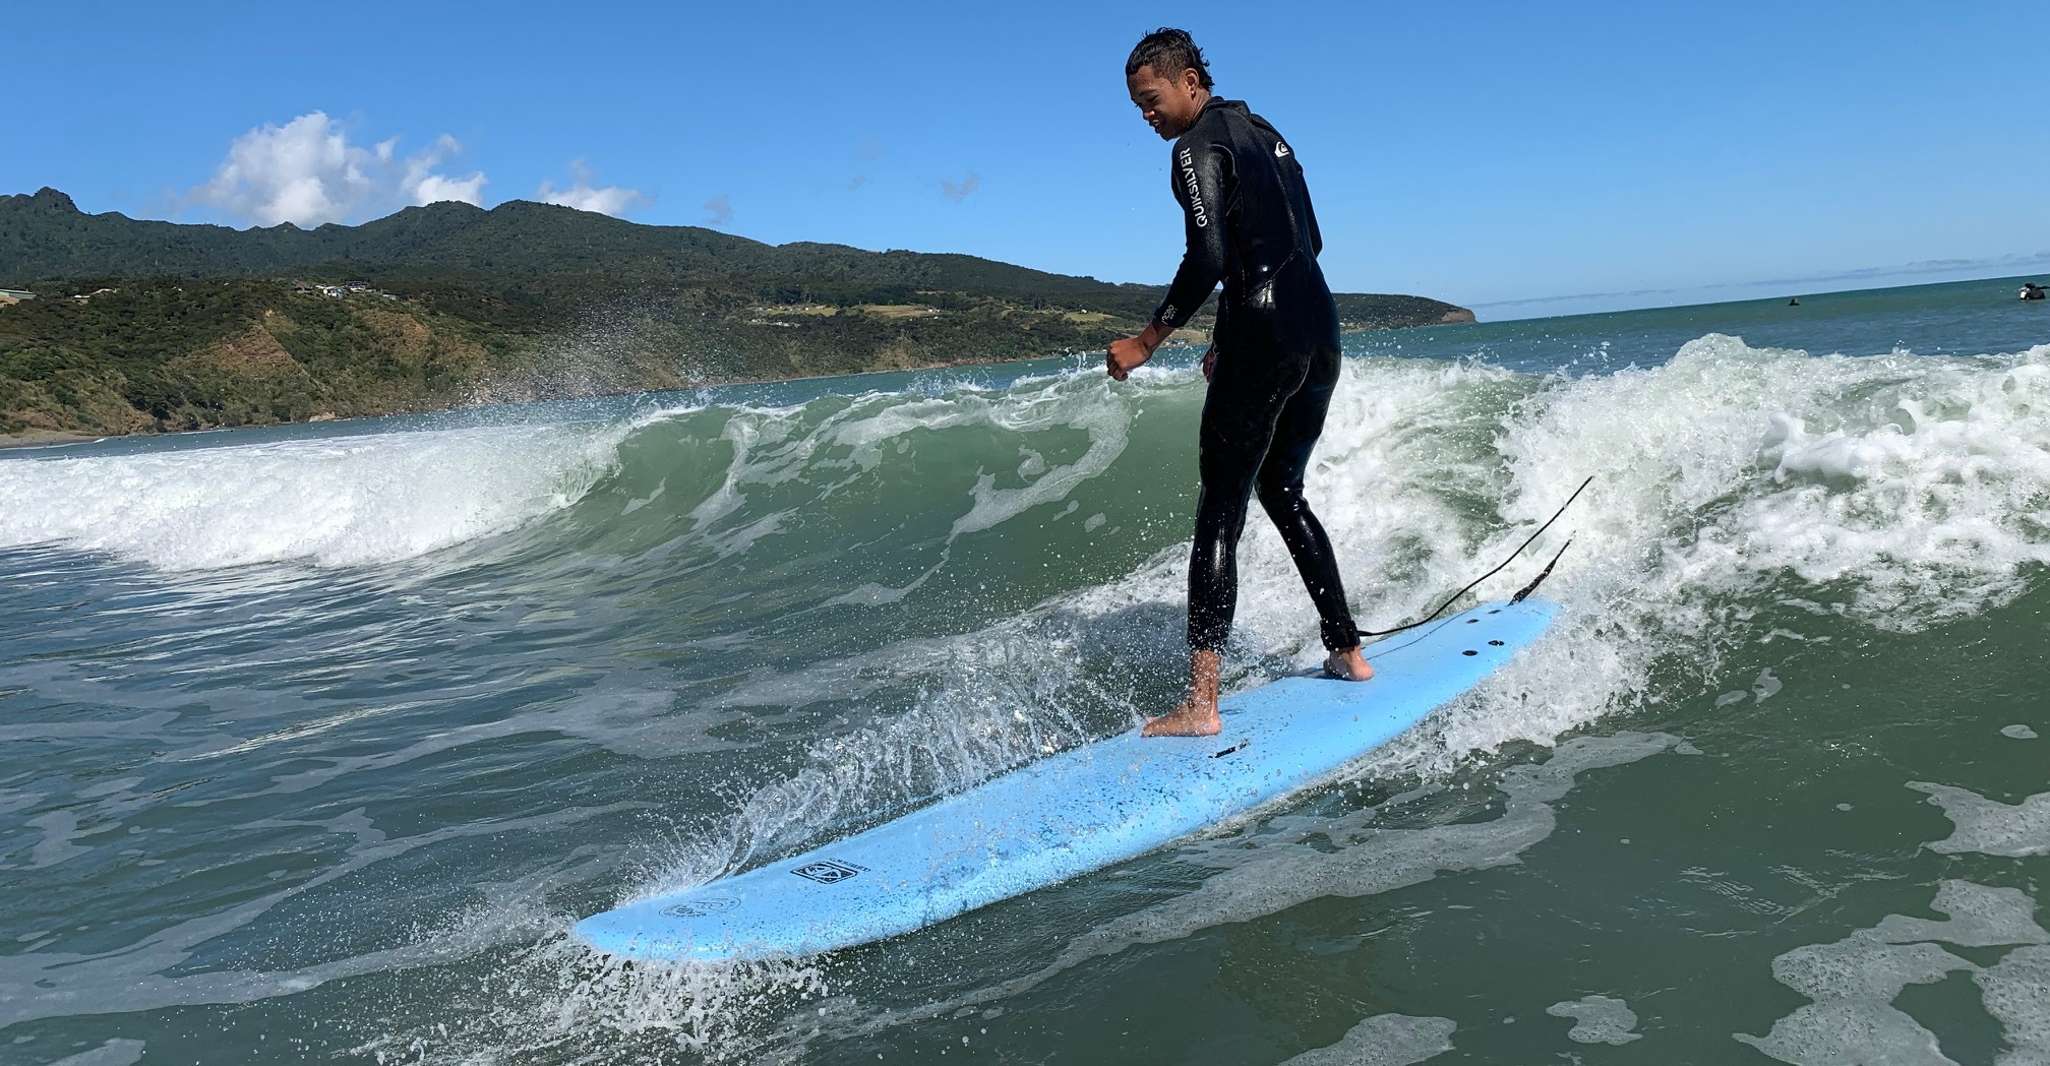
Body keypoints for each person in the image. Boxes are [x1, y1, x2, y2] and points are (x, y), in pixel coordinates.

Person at [1106, 27, 1371, 739]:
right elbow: (1306, 240)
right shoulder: (1267, 133)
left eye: (1151, 99)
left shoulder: (1194, 150)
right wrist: (1229, 335)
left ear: (1189, 80)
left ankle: (1202, 704)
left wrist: (1147, 339)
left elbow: (1209, 256)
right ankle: (1348, 651)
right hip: (1320, 327)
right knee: (1282, 488)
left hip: (1267, 326)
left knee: (1220, 506)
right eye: (1137, 106)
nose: (1147, 116)